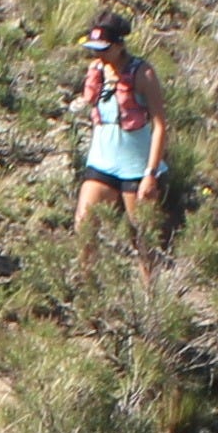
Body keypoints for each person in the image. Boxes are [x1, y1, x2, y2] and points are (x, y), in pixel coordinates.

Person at [68, 14, 166, 257]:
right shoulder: (96, 72)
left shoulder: (143, 74)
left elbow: (160, 126)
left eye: (104, 49)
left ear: (120, 45)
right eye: (93, 49)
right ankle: (86, 289)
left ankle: (149, 292)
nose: (98, 55)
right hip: (101, 163)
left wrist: (150, 175)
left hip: (137, 170)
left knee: (142, 241)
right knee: (84, 229)